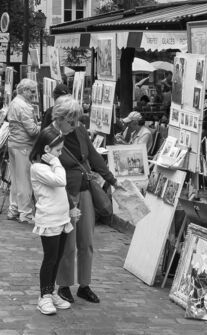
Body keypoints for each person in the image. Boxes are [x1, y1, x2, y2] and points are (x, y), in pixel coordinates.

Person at [50, 95, 122, 304]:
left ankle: (84, 284)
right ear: (60, 117)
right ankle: (64, 284)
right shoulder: (50, 136)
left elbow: (93, 156)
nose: (75, 124)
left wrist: (112, 180)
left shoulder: (80, 130)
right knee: (68, 243)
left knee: (86, 241)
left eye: (77, 120)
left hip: (84, 189)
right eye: (71, 121)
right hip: (64, 193)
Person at [30, 126, 79, 315]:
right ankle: (43, 296)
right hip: (49, 219)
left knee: (58, 257)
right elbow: (60, 181)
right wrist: (57, 162)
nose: (60, 154)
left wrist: (71, 208)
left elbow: (62, 190)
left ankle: (50, 292)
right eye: (58, 150)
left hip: (61, 218)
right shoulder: (37, 168)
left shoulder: (52, 166)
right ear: (46, 150)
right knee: (50, 259)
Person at [7, 78, 40, 223]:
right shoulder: (25, 106)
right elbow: (32, 131)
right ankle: (25, 213)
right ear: (25, 90)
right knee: (25, 181)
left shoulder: (14, 102)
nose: (34, 95)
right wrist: (43, 126)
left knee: (15, 179)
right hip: (24, 146)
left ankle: (13, 209)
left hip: (13, 144)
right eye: (32, 91)